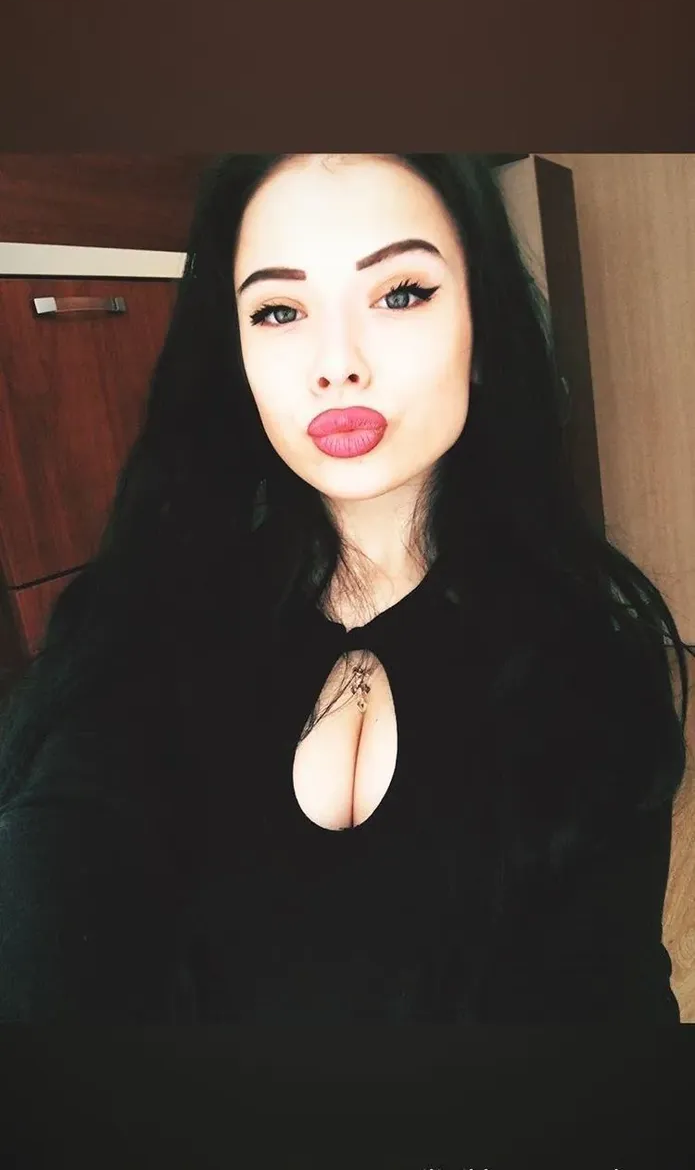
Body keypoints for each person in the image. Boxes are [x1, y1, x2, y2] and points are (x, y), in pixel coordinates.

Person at [0, 153, 691, 1023]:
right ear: (235, 352)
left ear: (482, 329)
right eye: (279, 310)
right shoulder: (131, 632)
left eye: (399, 293)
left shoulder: (595, 666)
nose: (337, 364)